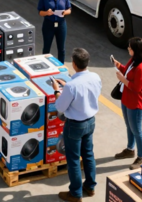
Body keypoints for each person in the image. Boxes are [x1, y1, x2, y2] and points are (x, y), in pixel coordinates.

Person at [53, 48, 101, 202]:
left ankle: (75, 194)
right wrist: (68, 85)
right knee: (88, 154)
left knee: (73, 159)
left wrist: (57, 91)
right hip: (90, 121)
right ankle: (90, 187)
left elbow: (60, 107)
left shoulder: (71, 86)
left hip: (74, 125)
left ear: (73, 64)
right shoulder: (95, 77)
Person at [113, 37, 142, 169]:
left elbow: (136, 88)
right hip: (127, 99)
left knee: (137, 130)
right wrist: (119, 66)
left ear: (136, 50)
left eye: (130, 47)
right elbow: (127, 72)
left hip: (136, 103)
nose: (128, 49)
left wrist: (123, 79)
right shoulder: (133, 60)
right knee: (129, 126)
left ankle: (141, 157)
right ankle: (130, 149)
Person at [37, 0, 71, 64]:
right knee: (46, 48)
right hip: (48, 25)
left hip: (61, 25)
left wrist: (64, 12)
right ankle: (45, 66)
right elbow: (40, 12)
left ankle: (61, 67)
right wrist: (46, 13)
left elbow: (69, 9)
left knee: (61, 49)